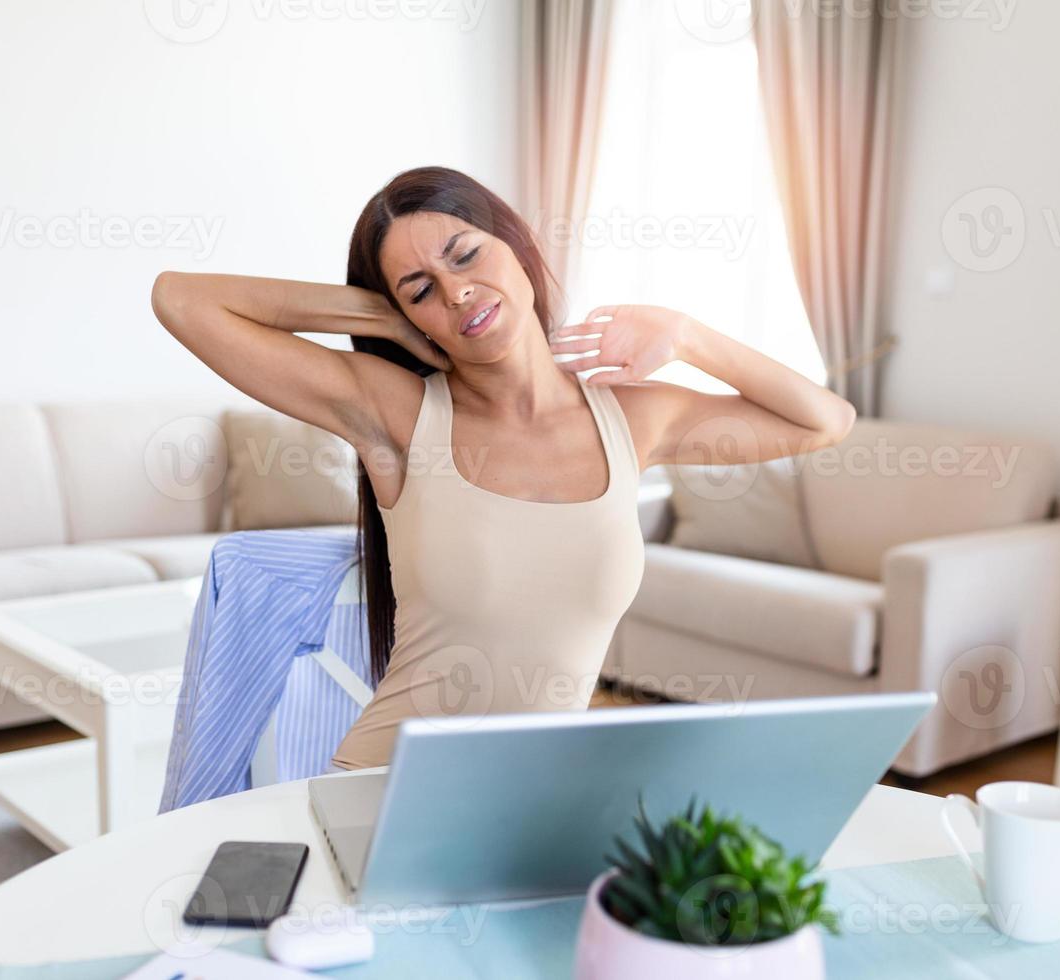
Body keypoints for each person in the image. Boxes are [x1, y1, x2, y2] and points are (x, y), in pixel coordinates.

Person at [150, 165, 855, 771]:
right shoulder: (397, 415)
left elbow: (824, 421)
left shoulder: (632, 419)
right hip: (392, 787)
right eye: (420, 289)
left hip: (538, 797)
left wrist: (689, 334)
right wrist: (381, 317)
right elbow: (180, 299)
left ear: (517, 246)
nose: (455, 293)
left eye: (465, 255)